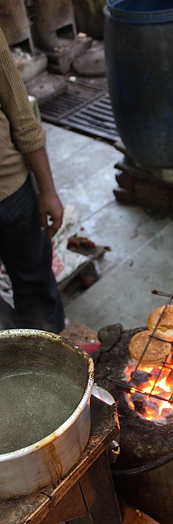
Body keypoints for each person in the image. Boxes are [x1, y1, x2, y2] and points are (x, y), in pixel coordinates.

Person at [0, 25, 65, 333]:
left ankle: (52, 368)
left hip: (11, 191)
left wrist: (48, 191)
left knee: (37, 292)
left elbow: (22, 118)